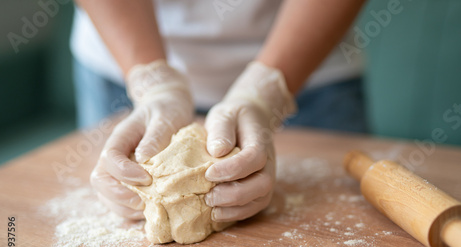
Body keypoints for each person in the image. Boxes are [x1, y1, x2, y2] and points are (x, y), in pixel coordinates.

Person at [71, 0, 367, 224]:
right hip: (124, 50)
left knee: (344, 214)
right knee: (124, 197)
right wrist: (152, 83)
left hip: (307, 61)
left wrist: (266, 92)